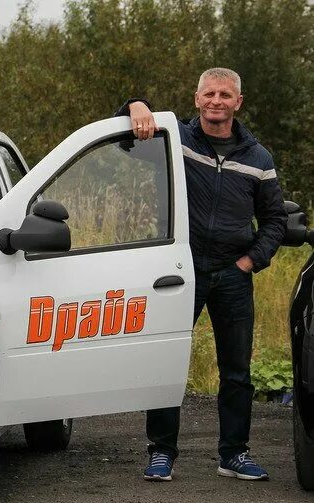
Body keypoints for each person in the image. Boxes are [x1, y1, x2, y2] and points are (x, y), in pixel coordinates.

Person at [115, 68, 287, 482]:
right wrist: (134, 106)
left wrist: (248, 263)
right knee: (167, 363)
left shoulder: (258, 158)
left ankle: (234, 454)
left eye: (225, 94)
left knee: (236, 371)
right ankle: (161, 452)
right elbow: (126, 136)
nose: (216, 100)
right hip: (180, 271)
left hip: (232, 274)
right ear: (196, 99)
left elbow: (275, 221)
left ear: (238, 103)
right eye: (209, 93)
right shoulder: (176, 140)